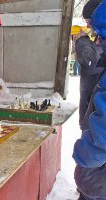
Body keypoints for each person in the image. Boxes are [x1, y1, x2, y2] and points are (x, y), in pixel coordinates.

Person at [73, 0, 106, 199]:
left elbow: (102, 131)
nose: (88, 27)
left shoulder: (92, 45)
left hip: (98, 163)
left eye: (92, 25)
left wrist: (83, 158)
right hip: (91, 116)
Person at [75, 0, 104, 130]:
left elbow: (91, 62)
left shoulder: (101, 41)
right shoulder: (99, 38)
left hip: (96, 123)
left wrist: (82, 41)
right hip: (91, 112)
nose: (88, 26)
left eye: (89, 21)